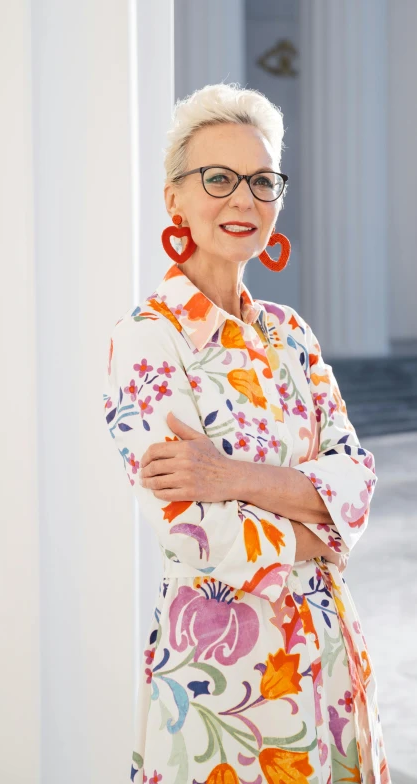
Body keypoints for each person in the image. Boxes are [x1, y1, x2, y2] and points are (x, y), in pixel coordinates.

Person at [103, 83, 391, 784]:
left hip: (331, 662)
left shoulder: (293, 336)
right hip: (226, 682)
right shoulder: (148, 340)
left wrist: (237, 479)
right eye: (218, 178)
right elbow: (195, 531)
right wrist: (318, 526)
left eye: (262, 181)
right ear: (174, 198)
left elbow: (358, 479)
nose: (244, 199)